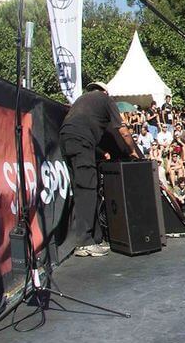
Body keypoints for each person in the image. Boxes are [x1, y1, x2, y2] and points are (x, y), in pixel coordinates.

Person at [59, 81, 141, 256]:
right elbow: (123, 130)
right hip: (81, 142)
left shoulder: (81, 101)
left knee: (83, 189)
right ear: (105, 92)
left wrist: (101, 152)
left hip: (67, 140)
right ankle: (84, 243)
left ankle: (95, 237)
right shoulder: (105, 100)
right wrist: (133, 151)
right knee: (88, 189)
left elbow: (81, 128)